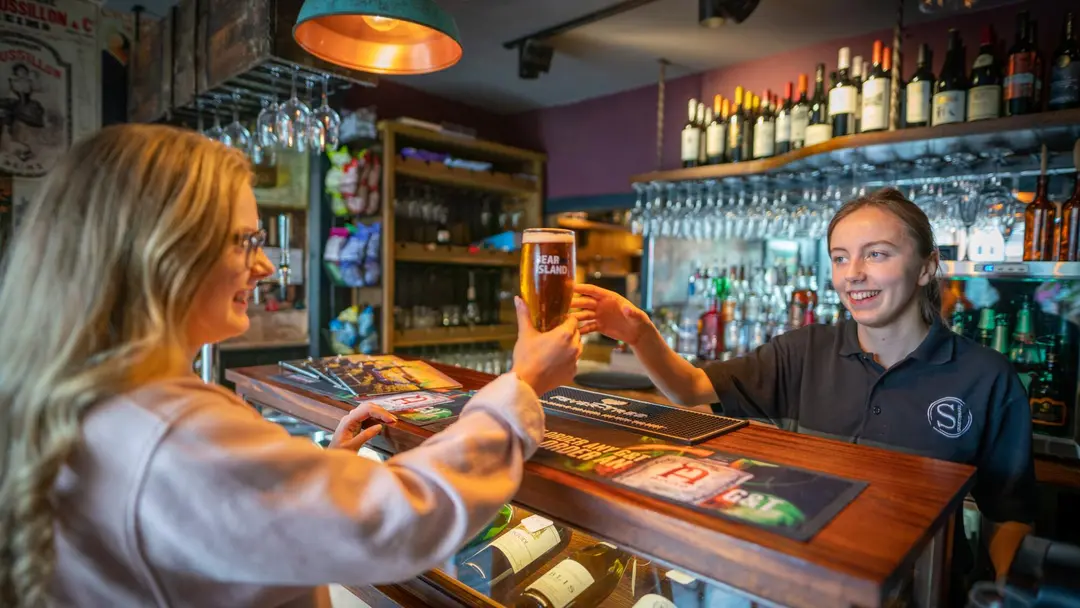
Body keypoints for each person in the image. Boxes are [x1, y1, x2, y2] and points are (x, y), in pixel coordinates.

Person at [0, 124, 583, 608]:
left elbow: (222, 530)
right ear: (163, 249)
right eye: (244, 241)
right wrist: (522, 385)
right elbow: (400, 522)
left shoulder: (89, 395)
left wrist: (321, 474)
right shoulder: (173, 431)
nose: (264, 268)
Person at [573, 187, 1036, 598]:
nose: (853, 273)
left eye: (877, 254)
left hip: (922, 592)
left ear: (926, 267)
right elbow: (689, 388)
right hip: (803, 585)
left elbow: (1008, 514)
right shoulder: (803, 351)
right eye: (840, 257)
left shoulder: (986, 378)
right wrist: (639, 333)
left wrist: (1001, 593)